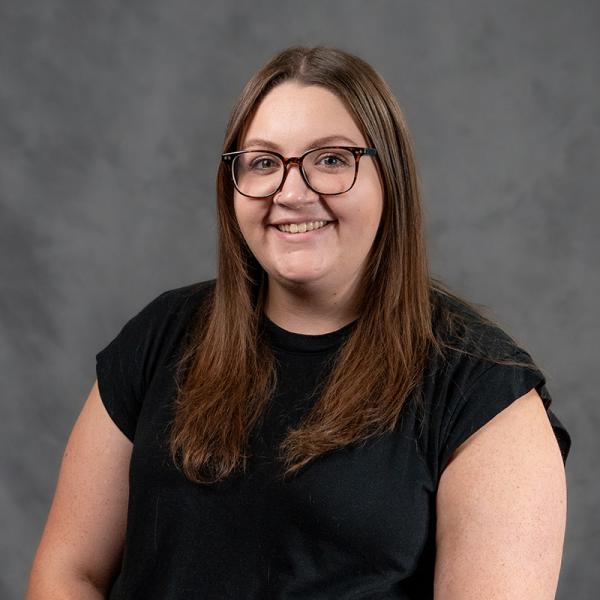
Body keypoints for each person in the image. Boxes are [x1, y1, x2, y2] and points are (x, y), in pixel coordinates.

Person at [27, 46, 571, 599]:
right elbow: (68, 573)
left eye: (331, 160)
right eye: (263, 163)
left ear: (391, 177)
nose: (291, 192)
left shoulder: (482, 389)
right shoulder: (162, 335)